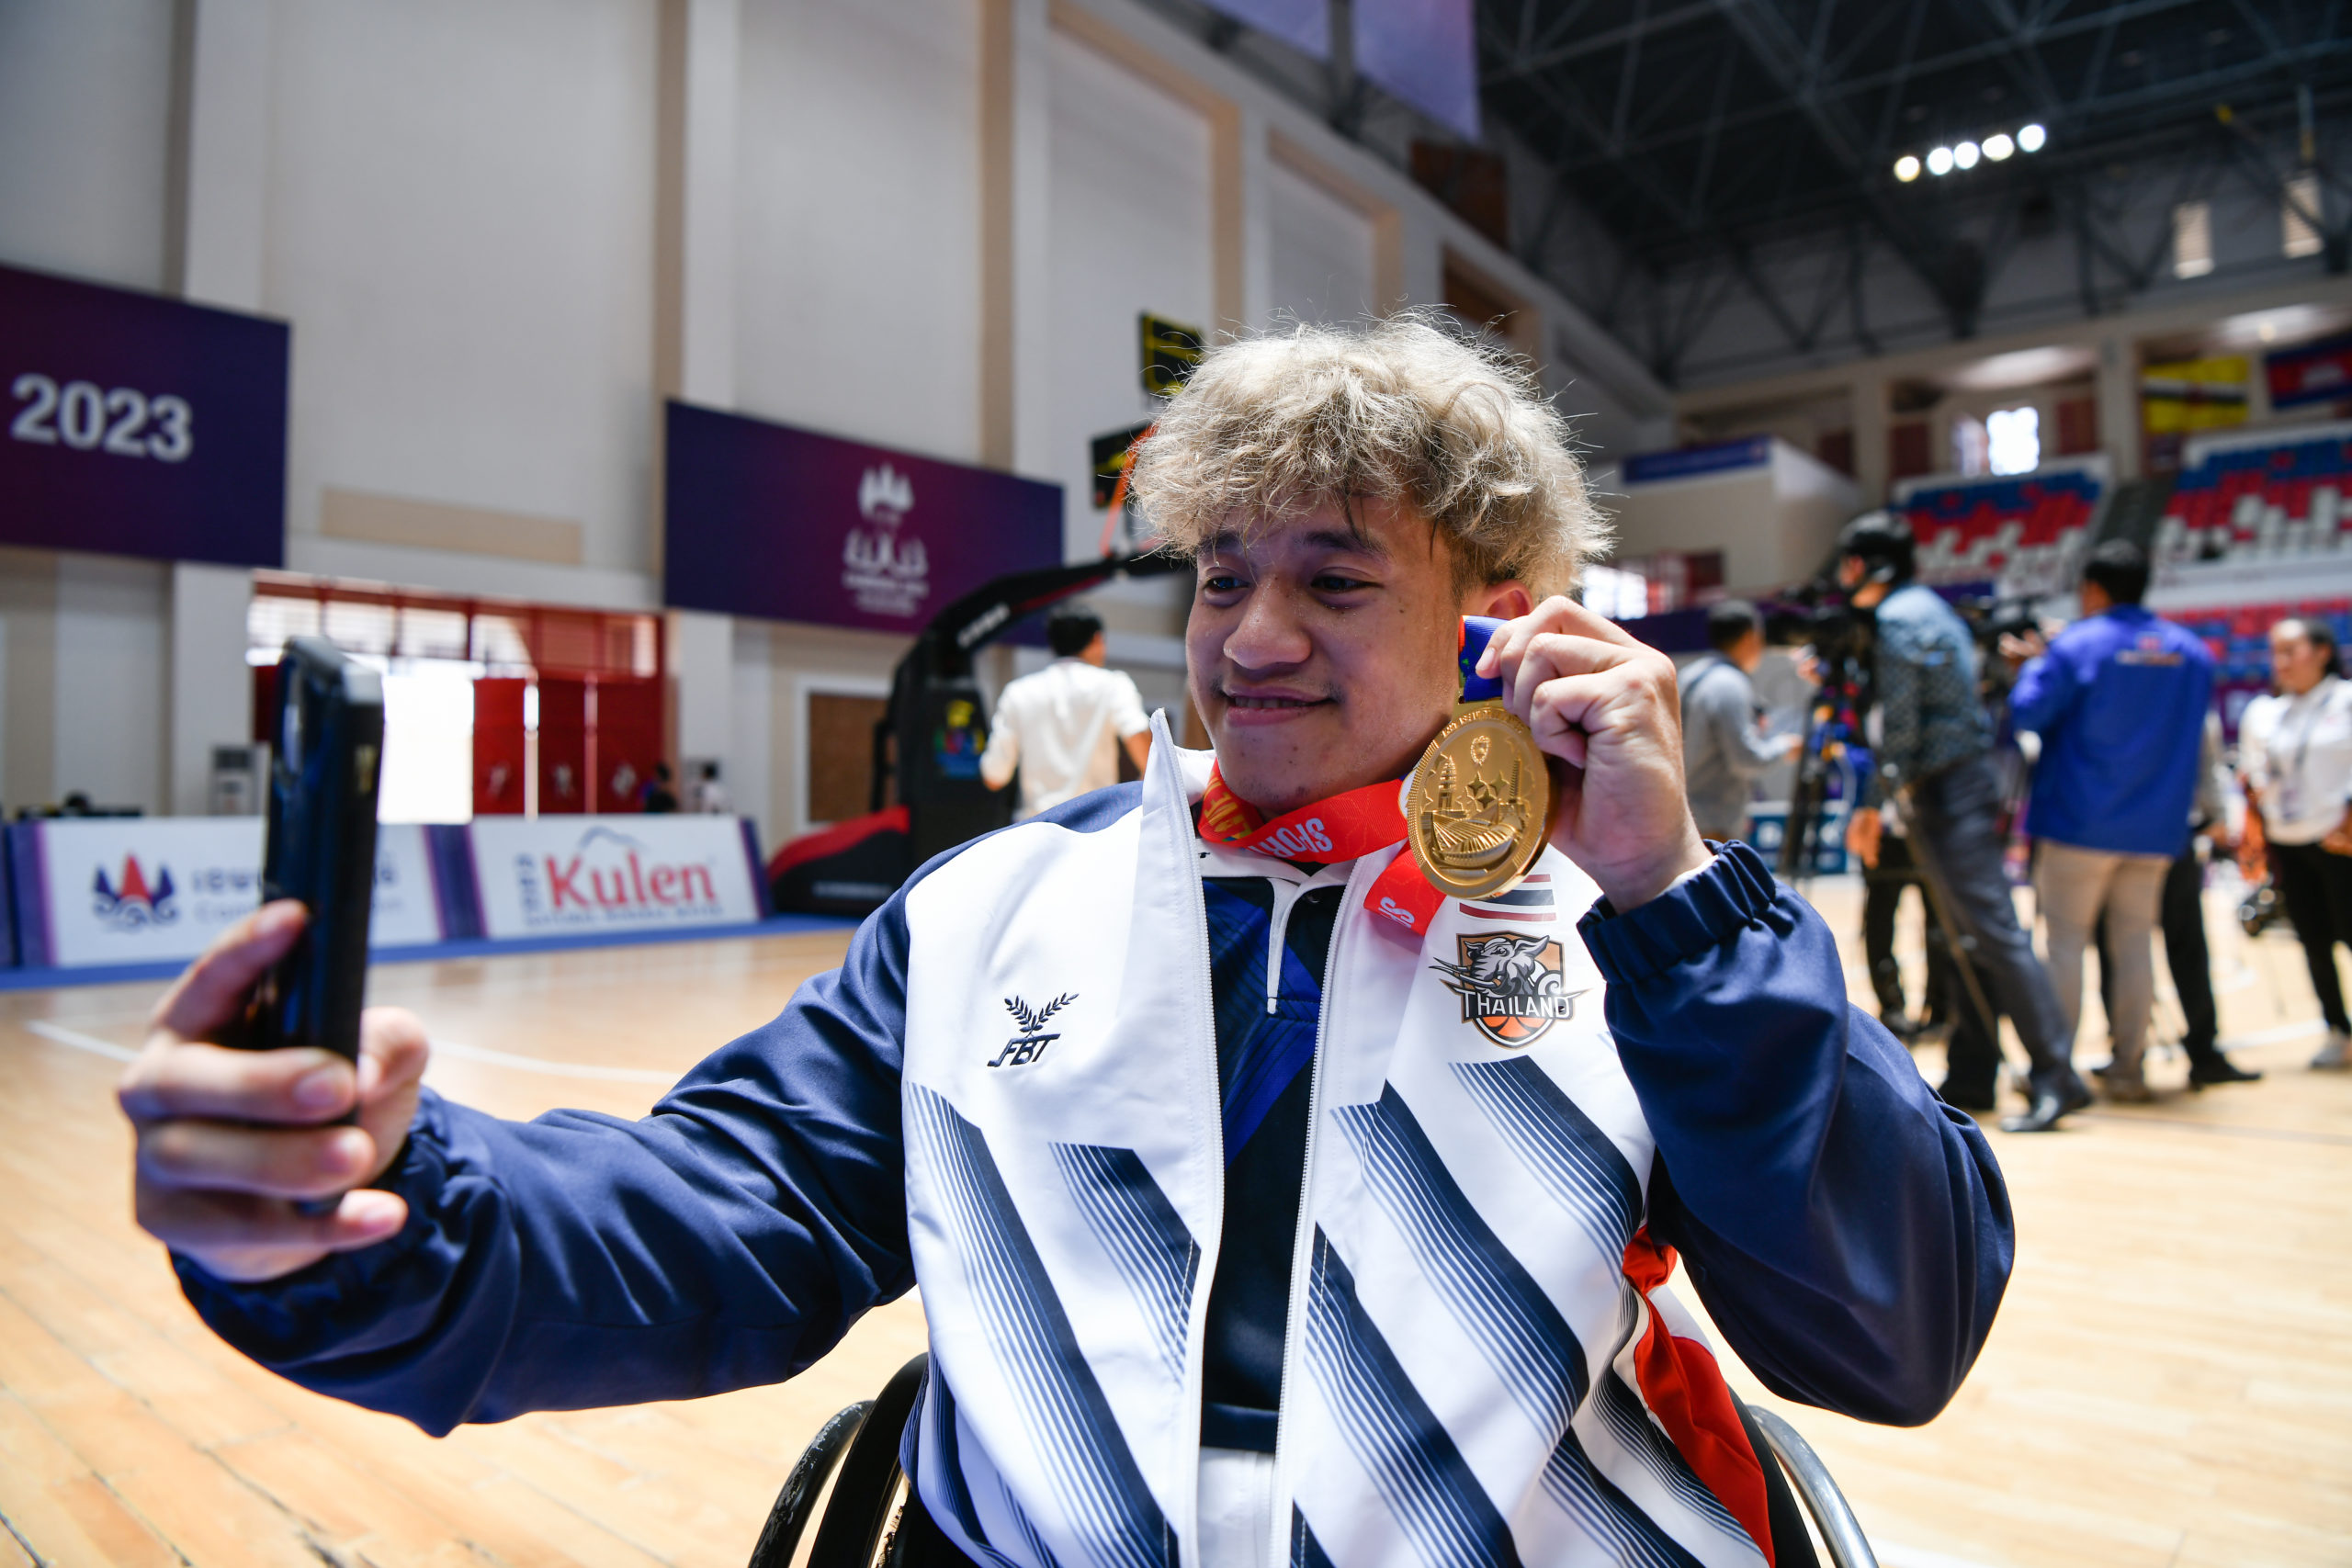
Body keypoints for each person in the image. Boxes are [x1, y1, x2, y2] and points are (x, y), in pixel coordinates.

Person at [119, 318, 2011, 1568]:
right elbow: (718, 1212)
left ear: (1499, 618)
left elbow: (1897, 1327)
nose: (1248, 636)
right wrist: (371, 1214)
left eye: (1333, 577)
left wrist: (1677, 900)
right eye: (1221, 572)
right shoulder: (992, 909)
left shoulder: (1646, 929)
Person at [1840, 512, 2086, 1132]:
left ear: (1868, 564)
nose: (1843, 576)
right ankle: (1974, 1073)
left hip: (1949, 790)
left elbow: (1900, 726)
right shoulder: (1931, 609)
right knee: (1967, 937)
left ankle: (2057, 1074)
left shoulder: (1898, 619)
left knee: (1995, 934)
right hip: (1958, 785)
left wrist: (1870, 803)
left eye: (1849, 562)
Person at [2002, 541, 2215, 1103]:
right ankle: (2128, 1068)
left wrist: (2033, 666)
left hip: (2078, 822)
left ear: (2093, 588)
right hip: (2157, 826)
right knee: (2135, 944)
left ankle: (2056, 1071)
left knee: (2064, 944)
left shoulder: (2076, 644)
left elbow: (2027, 712)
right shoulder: (2191, 651)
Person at [2093, 712, 2260, 1087]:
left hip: (2155, 832)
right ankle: (2129, 1053)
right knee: (2125, 946)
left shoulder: (2181, 695)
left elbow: (2207, 760)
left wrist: (2218, 815)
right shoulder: (2166, 689)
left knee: (2172, 945)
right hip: (2137, 833)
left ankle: (2188, 1051)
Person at [2238, 615, 2352, 1071]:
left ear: (2322, 652)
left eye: (2291, 650)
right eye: (2275, 652)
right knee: (2313, 940)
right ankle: (2338, 1029)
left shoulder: (2345, 700)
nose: (2280, 661)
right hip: (2287, 840)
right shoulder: (2265, 713)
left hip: (2340, 841)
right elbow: (2253, 776)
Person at [978, 604, 1152, 819]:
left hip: (1036, 826)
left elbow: (994, 777)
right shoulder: (1113, 685)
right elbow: (1145, 751)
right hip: (1095, 825)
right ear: (1097, 640)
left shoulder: (1018, 693)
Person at [1679, 598, 1801, 842]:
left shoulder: (1687, 676)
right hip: (1713, 824)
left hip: (1679, 815)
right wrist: (1786, 746)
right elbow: (1746, 759)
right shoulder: (1730, 684)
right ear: (1750, 637)